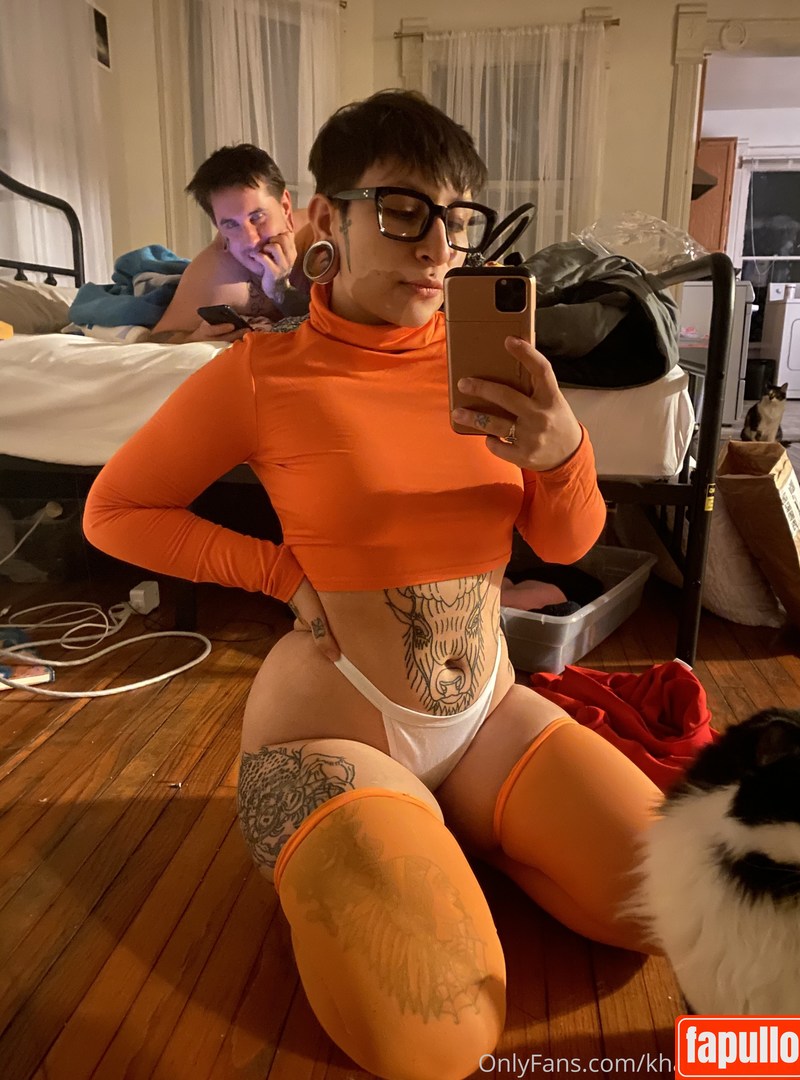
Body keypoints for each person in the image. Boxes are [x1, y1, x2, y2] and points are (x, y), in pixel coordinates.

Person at [84, 90, 661, 1080]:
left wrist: (564, 450)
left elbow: (568, 542)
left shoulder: (495, 370)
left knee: (666, 904)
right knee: (436, 1039)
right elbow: (115, 511)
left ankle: (447, 831)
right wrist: (278, 574)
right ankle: (392, 836)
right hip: (333, 733)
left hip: (489, 715)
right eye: (402, 211)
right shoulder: (264, 372)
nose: (437, 248)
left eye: (458, 218)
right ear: (327, 216)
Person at [150, 143, 312, 343]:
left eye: (257, 217)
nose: (251, 240)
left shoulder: (322, 237)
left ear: (285, 207)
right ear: (218, 227)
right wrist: (195, 337)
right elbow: (157, 340)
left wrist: (281, 291)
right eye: (231, 225)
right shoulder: (217, 272)